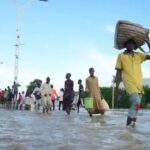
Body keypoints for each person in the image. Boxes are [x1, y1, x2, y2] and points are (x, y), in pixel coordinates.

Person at [115, 39, 150, 127]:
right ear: (125, 45)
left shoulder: (139, 55)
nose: (131, 45)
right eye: (129, 43)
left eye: (132, 44)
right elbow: (118, 72)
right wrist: (116, 87)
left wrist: (148, 42)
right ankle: (127, 127)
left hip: (139, 85)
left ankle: (132, 127)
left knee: (137, 106)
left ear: (135, 46)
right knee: (136, 102)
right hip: (130, 84)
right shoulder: (121, 56)